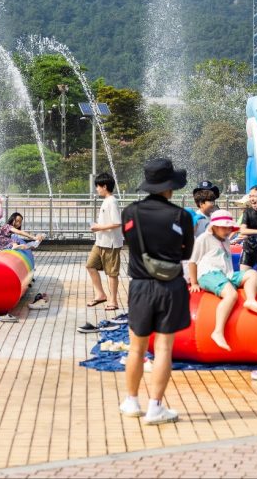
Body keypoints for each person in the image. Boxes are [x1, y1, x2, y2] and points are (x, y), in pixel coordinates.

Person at [119, 158, 193, 425]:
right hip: (170, 286)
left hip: (139, 285)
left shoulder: (130, 212)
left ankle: (131, 401)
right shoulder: (181, 216)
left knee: (136, 348)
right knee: (163, 349)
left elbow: (129, 242)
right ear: (169, 186)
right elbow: (187, 252)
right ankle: (155, 407)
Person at [188, 210, 257, 351]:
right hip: (209, 274)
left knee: (253, 274)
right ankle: (217, 331)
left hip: (227, 274)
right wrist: (194, 283)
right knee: (231, 294)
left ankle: (250, 300)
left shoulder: (226, 240)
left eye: (229, 228)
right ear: (214, 227)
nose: (228, 231)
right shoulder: (203, 239)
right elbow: (192, 261)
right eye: (224, 227)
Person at [86, 173, 124, 311]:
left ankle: (113, 301)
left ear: (105, 186)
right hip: (100, 242)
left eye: (98, 186)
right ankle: (100, 294)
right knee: (90, 266)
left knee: (112, 273)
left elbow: (117, 223)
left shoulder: (112, 201)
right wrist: (98, 227)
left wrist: (98, 227)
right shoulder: (106, 201)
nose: (97, 189)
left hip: (111, 243)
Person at [239, 185, 257, 273]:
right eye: (250, 196)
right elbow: (243, 230)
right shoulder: (248, 212)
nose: (251, 199)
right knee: (243, 275)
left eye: (254, 196)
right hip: (249, 249)